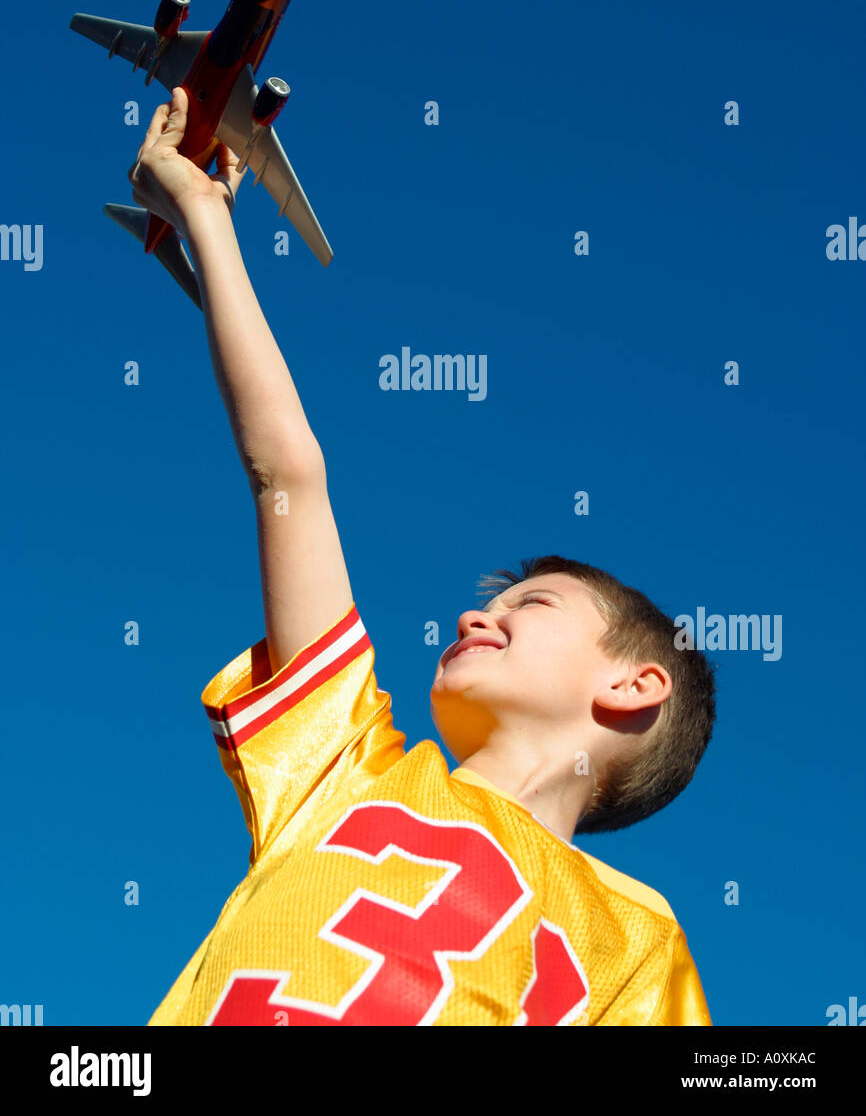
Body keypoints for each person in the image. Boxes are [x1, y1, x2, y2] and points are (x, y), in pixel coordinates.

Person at [136, 88, 716, 1027]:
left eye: (532, 606)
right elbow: (289, 471)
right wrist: (204, 217)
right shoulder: (337, 764)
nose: (471, 615)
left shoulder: (640, 943)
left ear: (635, 686)